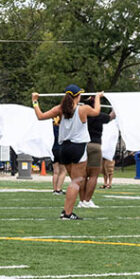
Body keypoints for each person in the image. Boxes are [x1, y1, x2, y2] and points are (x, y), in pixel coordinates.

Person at [33, 86, 104, 220]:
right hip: (78, 148)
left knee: (74, 181)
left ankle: (67, 210)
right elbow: (97, 111)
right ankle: (67, 213)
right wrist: (98, 98)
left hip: (64, 148)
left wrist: (35, 101)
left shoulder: (60, 109)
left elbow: (40, 116)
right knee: (76, 182)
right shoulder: (83, 109)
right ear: (77, 96)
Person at [81, 100, 116, 208]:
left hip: (82, 145)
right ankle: (87, 200)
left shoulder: (82, 114)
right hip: (95, 145)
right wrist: (116, 107)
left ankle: (82, 200)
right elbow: (111, 117)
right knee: (93, 175)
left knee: (83, 176)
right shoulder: (98, 116)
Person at [50, 116, 68, 194]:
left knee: (56, 171)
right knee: (63, 171)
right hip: (62, 149)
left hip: (53, 149)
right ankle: (58, 189)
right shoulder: (63, 128)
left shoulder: (52, 128)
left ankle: (54, 189)